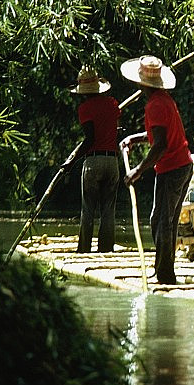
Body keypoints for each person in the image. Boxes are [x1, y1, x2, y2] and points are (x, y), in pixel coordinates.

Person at [119, 55, 192, 285]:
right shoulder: (162, 100)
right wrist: (134, 138)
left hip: (173, 168)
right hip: (180, 165)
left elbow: (160, 144)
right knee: (163, 220)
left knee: (161, 220)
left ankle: (165, 274)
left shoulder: (156, 104)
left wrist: (137, 171)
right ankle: (163, 268)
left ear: (142, 83)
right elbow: (157, 135)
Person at [62, 66, 121, 253]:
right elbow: (112, 130)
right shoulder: (113, 103)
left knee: (88, 208)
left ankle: (84, 250)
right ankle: (106, 249)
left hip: (93, 162)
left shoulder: (84, 108)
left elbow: (90, 139)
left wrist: (71, 162)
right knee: (108, 210)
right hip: (112, 161)